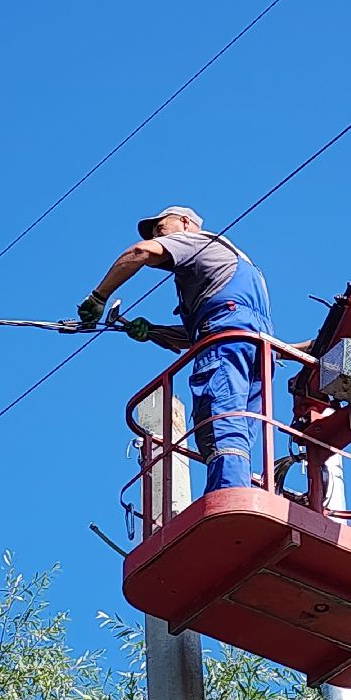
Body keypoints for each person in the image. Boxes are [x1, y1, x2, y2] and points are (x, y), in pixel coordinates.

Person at [78, 205, 273, 495]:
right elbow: (209, 325)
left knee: (218, 418)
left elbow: (139, 253)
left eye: (160, 228)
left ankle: (228, 493)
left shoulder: (197, 242)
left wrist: (98, 297)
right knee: (241, 428)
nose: (157, 236)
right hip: (257, 350)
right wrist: (153, 331)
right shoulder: (234, 263)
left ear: (184, 222)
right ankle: (239, 489)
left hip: (225, 346)